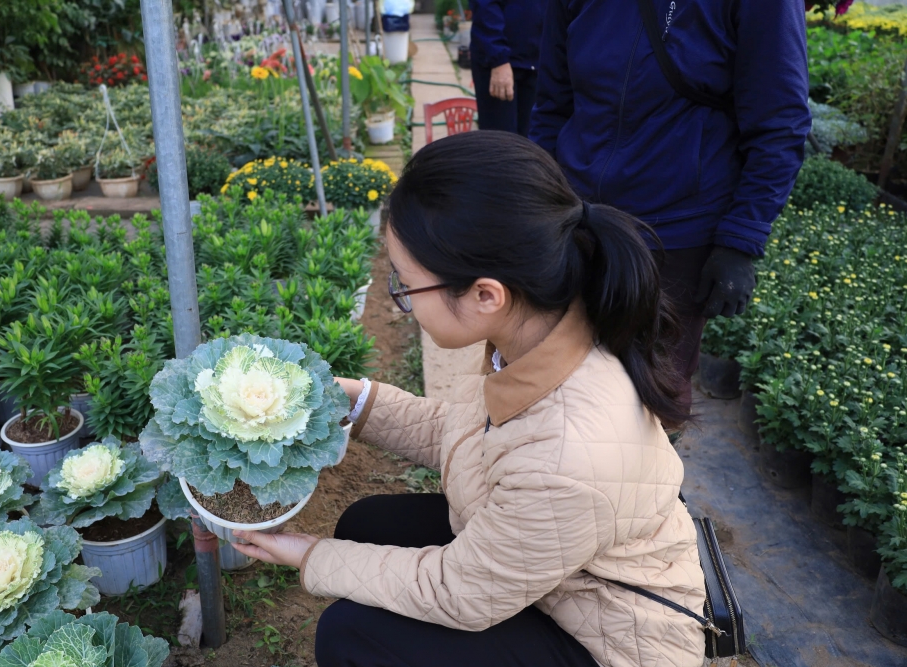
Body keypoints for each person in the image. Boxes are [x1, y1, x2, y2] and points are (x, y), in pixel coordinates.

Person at [231, 132, 707, 667]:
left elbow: (460, 593)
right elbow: (466, 436)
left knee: (351, 634)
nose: (400, 299)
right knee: (367, 525)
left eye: (405, 287)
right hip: (564, 579)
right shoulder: (544, 331)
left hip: (612, 642)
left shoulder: (567, 455)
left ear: (486, 294)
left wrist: (308, 555)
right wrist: (352, 400)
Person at [529, 0, 812, 412]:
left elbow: (780, 122)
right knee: (554, 389)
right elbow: (552, 103)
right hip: (578, 222)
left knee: (651, 404)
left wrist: (741, 238)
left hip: (675, 233)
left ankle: (652, 476)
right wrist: (539, 200)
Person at [469, 0, 546, 136]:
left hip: (537, 61)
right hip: (502, 64)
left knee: (533, 144)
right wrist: (498, 58)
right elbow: (485, 7)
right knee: (502, 144)